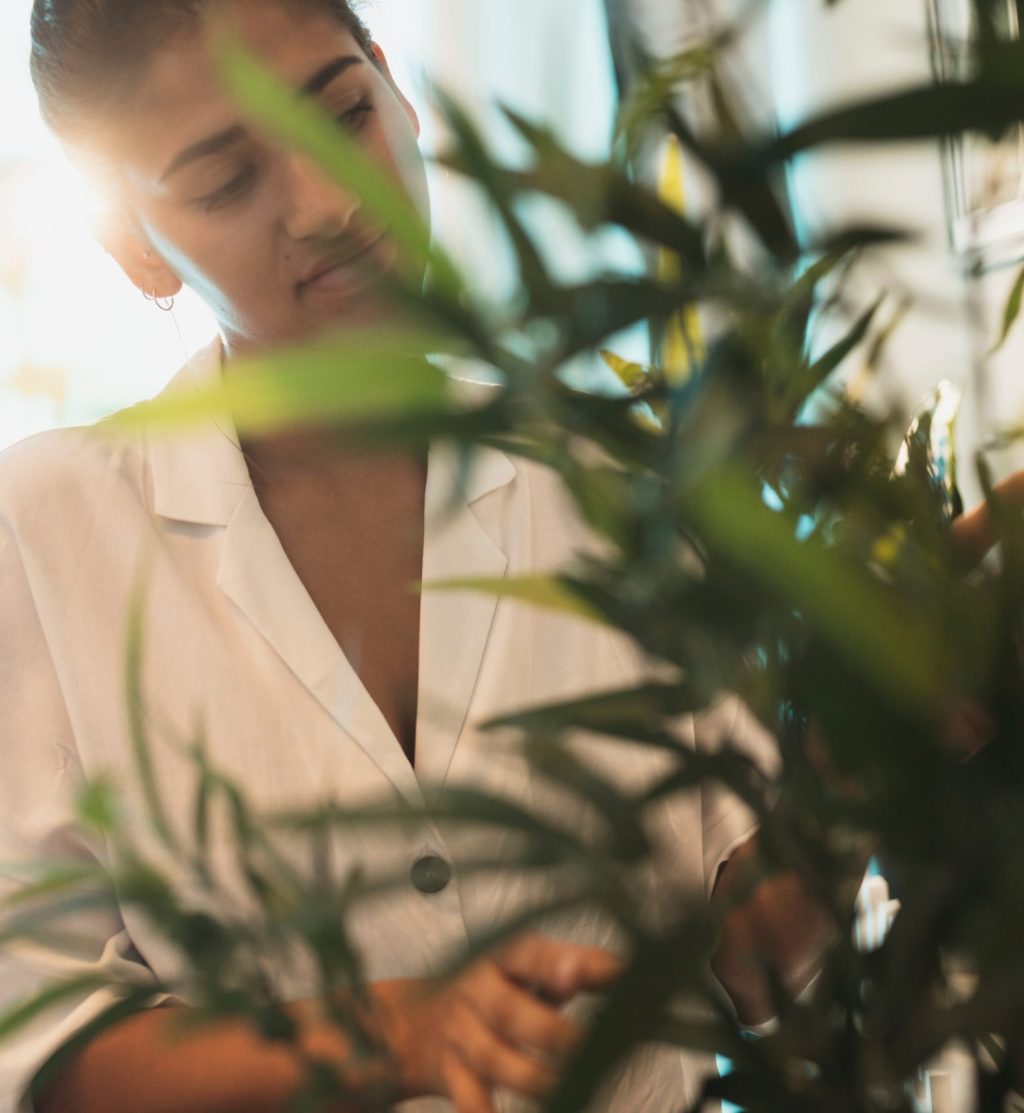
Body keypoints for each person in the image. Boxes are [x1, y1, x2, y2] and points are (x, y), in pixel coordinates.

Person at [0, 2, 834, 1111]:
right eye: (226, 183)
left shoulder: (619, 474)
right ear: (134, 246)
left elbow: (750, 969)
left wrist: (901, 727)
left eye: (345, 114)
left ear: (394, 86)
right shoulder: (46, 529)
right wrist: (398, 1030)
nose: (330, 203)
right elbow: (51, 1053)